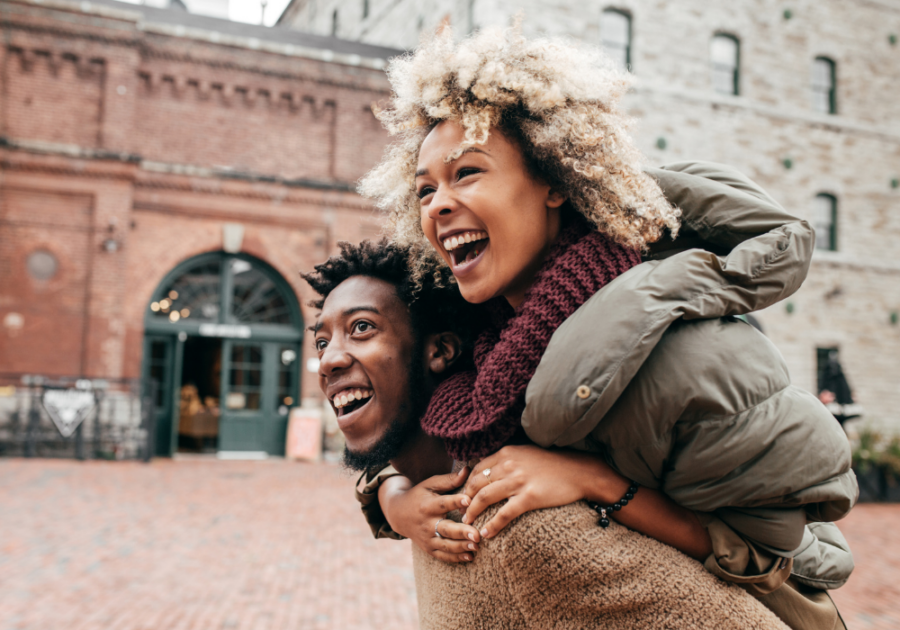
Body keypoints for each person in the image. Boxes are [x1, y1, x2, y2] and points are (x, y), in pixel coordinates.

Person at [356, 25, 856, 630]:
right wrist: (394, 499)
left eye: (466, 174)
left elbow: (764, 552)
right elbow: (405, 436)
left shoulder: (679, 349)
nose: (435, 204)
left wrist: (593, 480)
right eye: (424, 189)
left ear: (554, 183)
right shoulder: (484, 344)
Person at [304, 239, 791, 630]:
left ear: (441, 351)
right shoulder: (426, 500)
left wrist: (598, 483)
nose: (329, 360)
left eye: (362, 328)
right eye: (322, 341)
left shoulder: (521, 530)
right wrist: (392, 497)